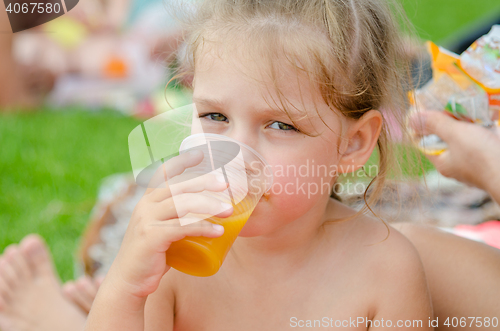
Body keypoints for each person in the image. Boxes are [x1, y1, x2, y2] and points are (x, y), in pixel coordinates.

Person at [84, 0, 434, 330]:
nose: (234, 154)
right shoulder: (173, 255)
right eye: (215, 116)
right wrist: (126, 287)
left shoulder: (386, 271)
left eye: (281, 126)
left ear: (352, 144)